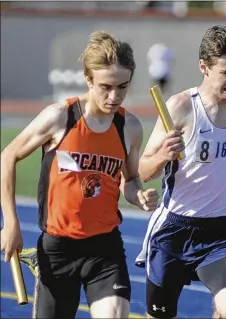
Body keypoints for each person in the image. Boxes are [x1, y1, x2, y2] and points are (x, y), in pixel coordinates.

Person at [0, 30, 159, 319]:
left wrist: (139, 196)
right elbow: (7, 156)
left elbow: (130, 178)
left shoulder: (129, 127)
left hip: (104, 250)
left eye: (122, 87)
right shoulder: (60, 117)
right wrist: (11, 223)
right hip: (58, 249)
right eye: (105, 87)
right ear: (88, 80)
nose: (114, 96)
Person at [135, 25, 226, 319]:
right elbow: (143, 170)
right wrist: (162, 155)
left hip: (221, 233)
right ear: (204, 68)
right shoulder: (182, 107)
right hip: (173, 232)